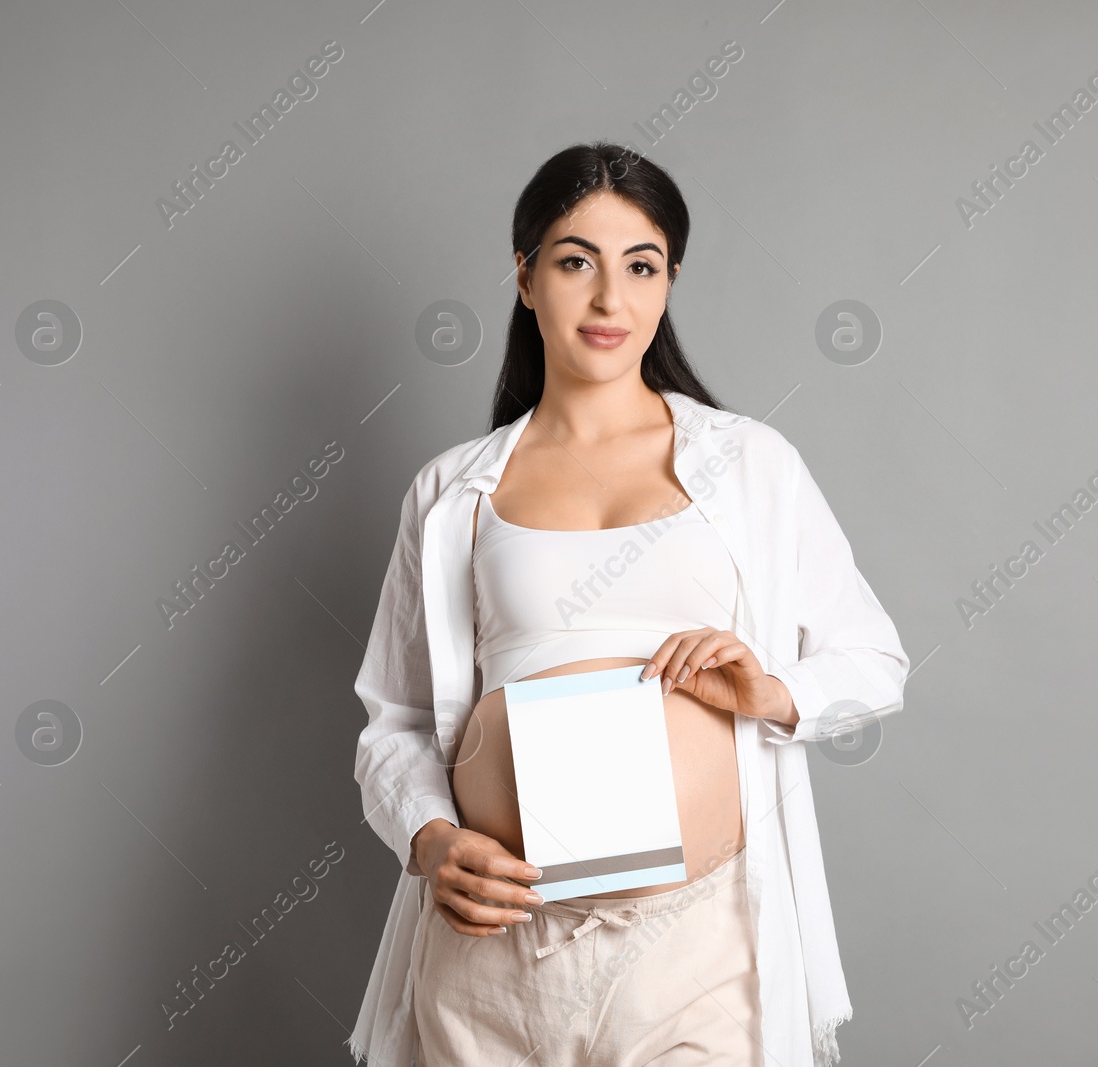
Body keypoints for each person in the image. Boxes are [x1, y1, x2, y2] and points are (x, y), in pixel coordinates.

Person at [347, 142, 909, 1067]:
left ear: (669, 282)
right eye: (576, 261)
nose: (611, 300)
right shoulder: (453, 492)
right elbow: (395, 719)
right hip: (493, 950)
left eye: (640, 266)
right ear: (525, 278)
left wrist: (769, 691)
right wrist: (429, 836)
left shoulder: (749, 464)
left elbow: (873, 657)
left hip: (694, 948)